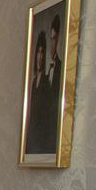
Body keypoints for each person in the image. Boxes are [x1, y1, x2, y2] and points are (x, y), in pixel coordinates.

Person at [25, 28, 60, 156]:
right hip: (31, 139)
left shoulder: (46, 81)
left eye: (42, 52)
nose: (39, 57)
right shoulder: (34, 82)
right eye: (38, 53)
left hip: (40, 139)